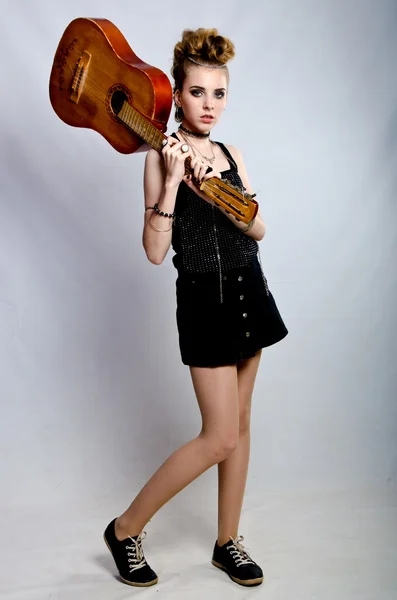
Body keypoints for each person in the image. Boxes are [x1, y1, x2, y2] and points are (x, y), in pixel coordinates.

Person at [104, 27, 288, 588]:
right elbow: (156, 252)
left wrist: (225, 196)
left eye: (219, 94)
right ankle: (125, 529)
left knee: (243, 422)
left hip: (249, 291)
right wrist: (177, 182)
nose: (209, 105)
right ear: (177, 96)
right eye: (198, 93)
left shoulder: (231, 154)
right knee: (220, 435)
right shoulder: (162, 156)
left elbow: (259, 227)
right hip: (204, 299)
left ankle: (226, 542)